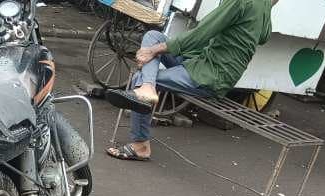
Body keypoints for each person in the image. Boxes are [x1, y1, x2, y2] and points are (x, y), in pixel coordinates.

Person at [105, 0, 277, 161]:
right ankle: (148, 87)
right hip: (200, 62)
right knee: (153, 36)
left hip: (210, 75)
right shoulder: (263, 5)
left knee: (140, 76)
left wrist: (153, 51)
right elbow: (264, 36)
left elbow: (201, 33)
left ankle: (140, 146)